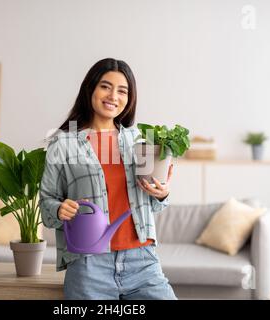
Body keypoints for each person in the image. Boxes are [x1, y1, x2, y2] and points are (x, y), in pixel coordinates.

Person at [39, 58, 176, 300]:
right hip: (89, 267)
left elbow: (155, 202)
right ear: (90, 88)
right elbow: (47, 202)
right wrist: (60, 209)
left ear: (129, 98)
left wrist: (162, 193)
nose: (113, 95)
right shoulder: (64, 143)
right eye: (105, 86)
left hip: (143, 261)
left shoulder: (140, 140)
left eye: (122, 90)